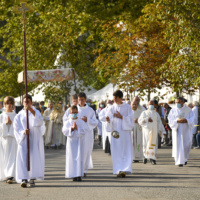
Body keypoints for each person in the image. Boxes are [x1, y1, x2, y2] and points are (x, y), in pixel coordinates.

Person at [13, 94, 45, 187]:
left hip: (33, 139)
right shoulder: (19, 115)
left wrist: (31, 110)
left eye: (28, 102)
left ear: (31, 102)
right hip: (23, 139)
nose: (26, 103)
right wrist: (23, 132)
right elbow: (16, 128)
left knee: (32, 157)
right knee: (23, 157)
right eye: (25, 102)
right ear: (22, 103)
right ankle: (23, 178)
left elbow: (39, 122)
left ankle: (32, 177)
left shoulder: (36, 112)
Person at [105, 90, 134, 177]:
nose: (114, 100)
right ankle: (118, 169)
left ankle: (124, 169)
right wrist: (108, 120)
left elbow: (131, 120)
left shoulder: (127, 107)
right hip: (116, 133)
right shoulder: (112, 108)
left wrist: (121, 117)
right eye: (113, 98)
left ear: (120, 98)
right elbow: (108, 118)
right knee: (116, 151)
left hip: (125, 133)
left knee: (125, 150)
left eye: (115, 98)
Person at [62, 105, 89, 181]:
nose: (74, 113)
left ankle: (79, 174)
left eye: (75, 112)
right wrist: (71, 129)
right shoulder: (68, 122)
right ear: (70, 112)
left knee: (79, 157)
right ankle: (73, 174)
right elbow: (64, 131)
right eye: (72, 112)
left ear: (77, 112)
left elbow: (86, 129)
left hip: (80, 142)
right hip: (71, 142)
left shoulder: (81, 121)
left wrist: (78, 129)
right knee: (72, 157)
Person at [168, 97, 194, 167]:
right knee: (178, 145)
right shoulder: (173, 110)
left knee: (186, 145)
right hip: (177, 130)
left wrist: (186, 120)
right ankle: (179, 161)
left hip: (186, 130)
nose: (177, 104)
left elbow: (192, 118)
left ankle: (185, 159)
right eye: (176, 102)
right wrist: (177, 121)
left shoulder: (188, 110)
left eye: (179, 102)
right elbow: (170, 120)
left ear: (183, 102)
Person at [138, 100, 166, 165]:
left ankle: (153, 159)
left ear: (154, 105)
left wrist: (163, 131)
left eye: (152, 104)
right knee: (146, 144)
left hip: (154, 132)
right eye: (150, 104)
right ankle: (145, 157)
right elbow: (140, 121)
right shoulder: (144, 113)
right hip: (146, 132)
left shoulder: (156, 114)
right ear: (147, 105)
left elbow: (159, 123)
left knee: (153, 145)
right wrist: (147, 119)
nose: (151, 105)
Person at [77, 92, 98, 176]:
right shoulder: (75, 109)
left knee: (86, 151)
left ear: (85, 100)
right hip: (78, 133)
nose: (81, 101)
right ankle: (78, 169)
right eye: (79, 100)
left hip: (87, 134)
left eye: (82, 100)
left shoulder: (90, 110)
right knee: (78, 151)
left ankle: (84, 170)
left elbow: (95, 122)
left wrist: (87, 120)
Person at [0, 96, 17, 184]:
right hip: (4, 139)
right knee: (4, 157)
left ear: (13, 105)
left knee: (12, 156)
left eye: (11, 104)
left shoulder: (15, 116)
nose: (9, 105)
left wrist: (12, 124)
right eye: (7, 104)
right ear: (4, 105)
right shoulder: (2, 116)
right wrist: (5, 124)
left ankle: (11, 175)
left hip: (13, 139)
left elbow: (18, 128)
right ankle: (5, 174)